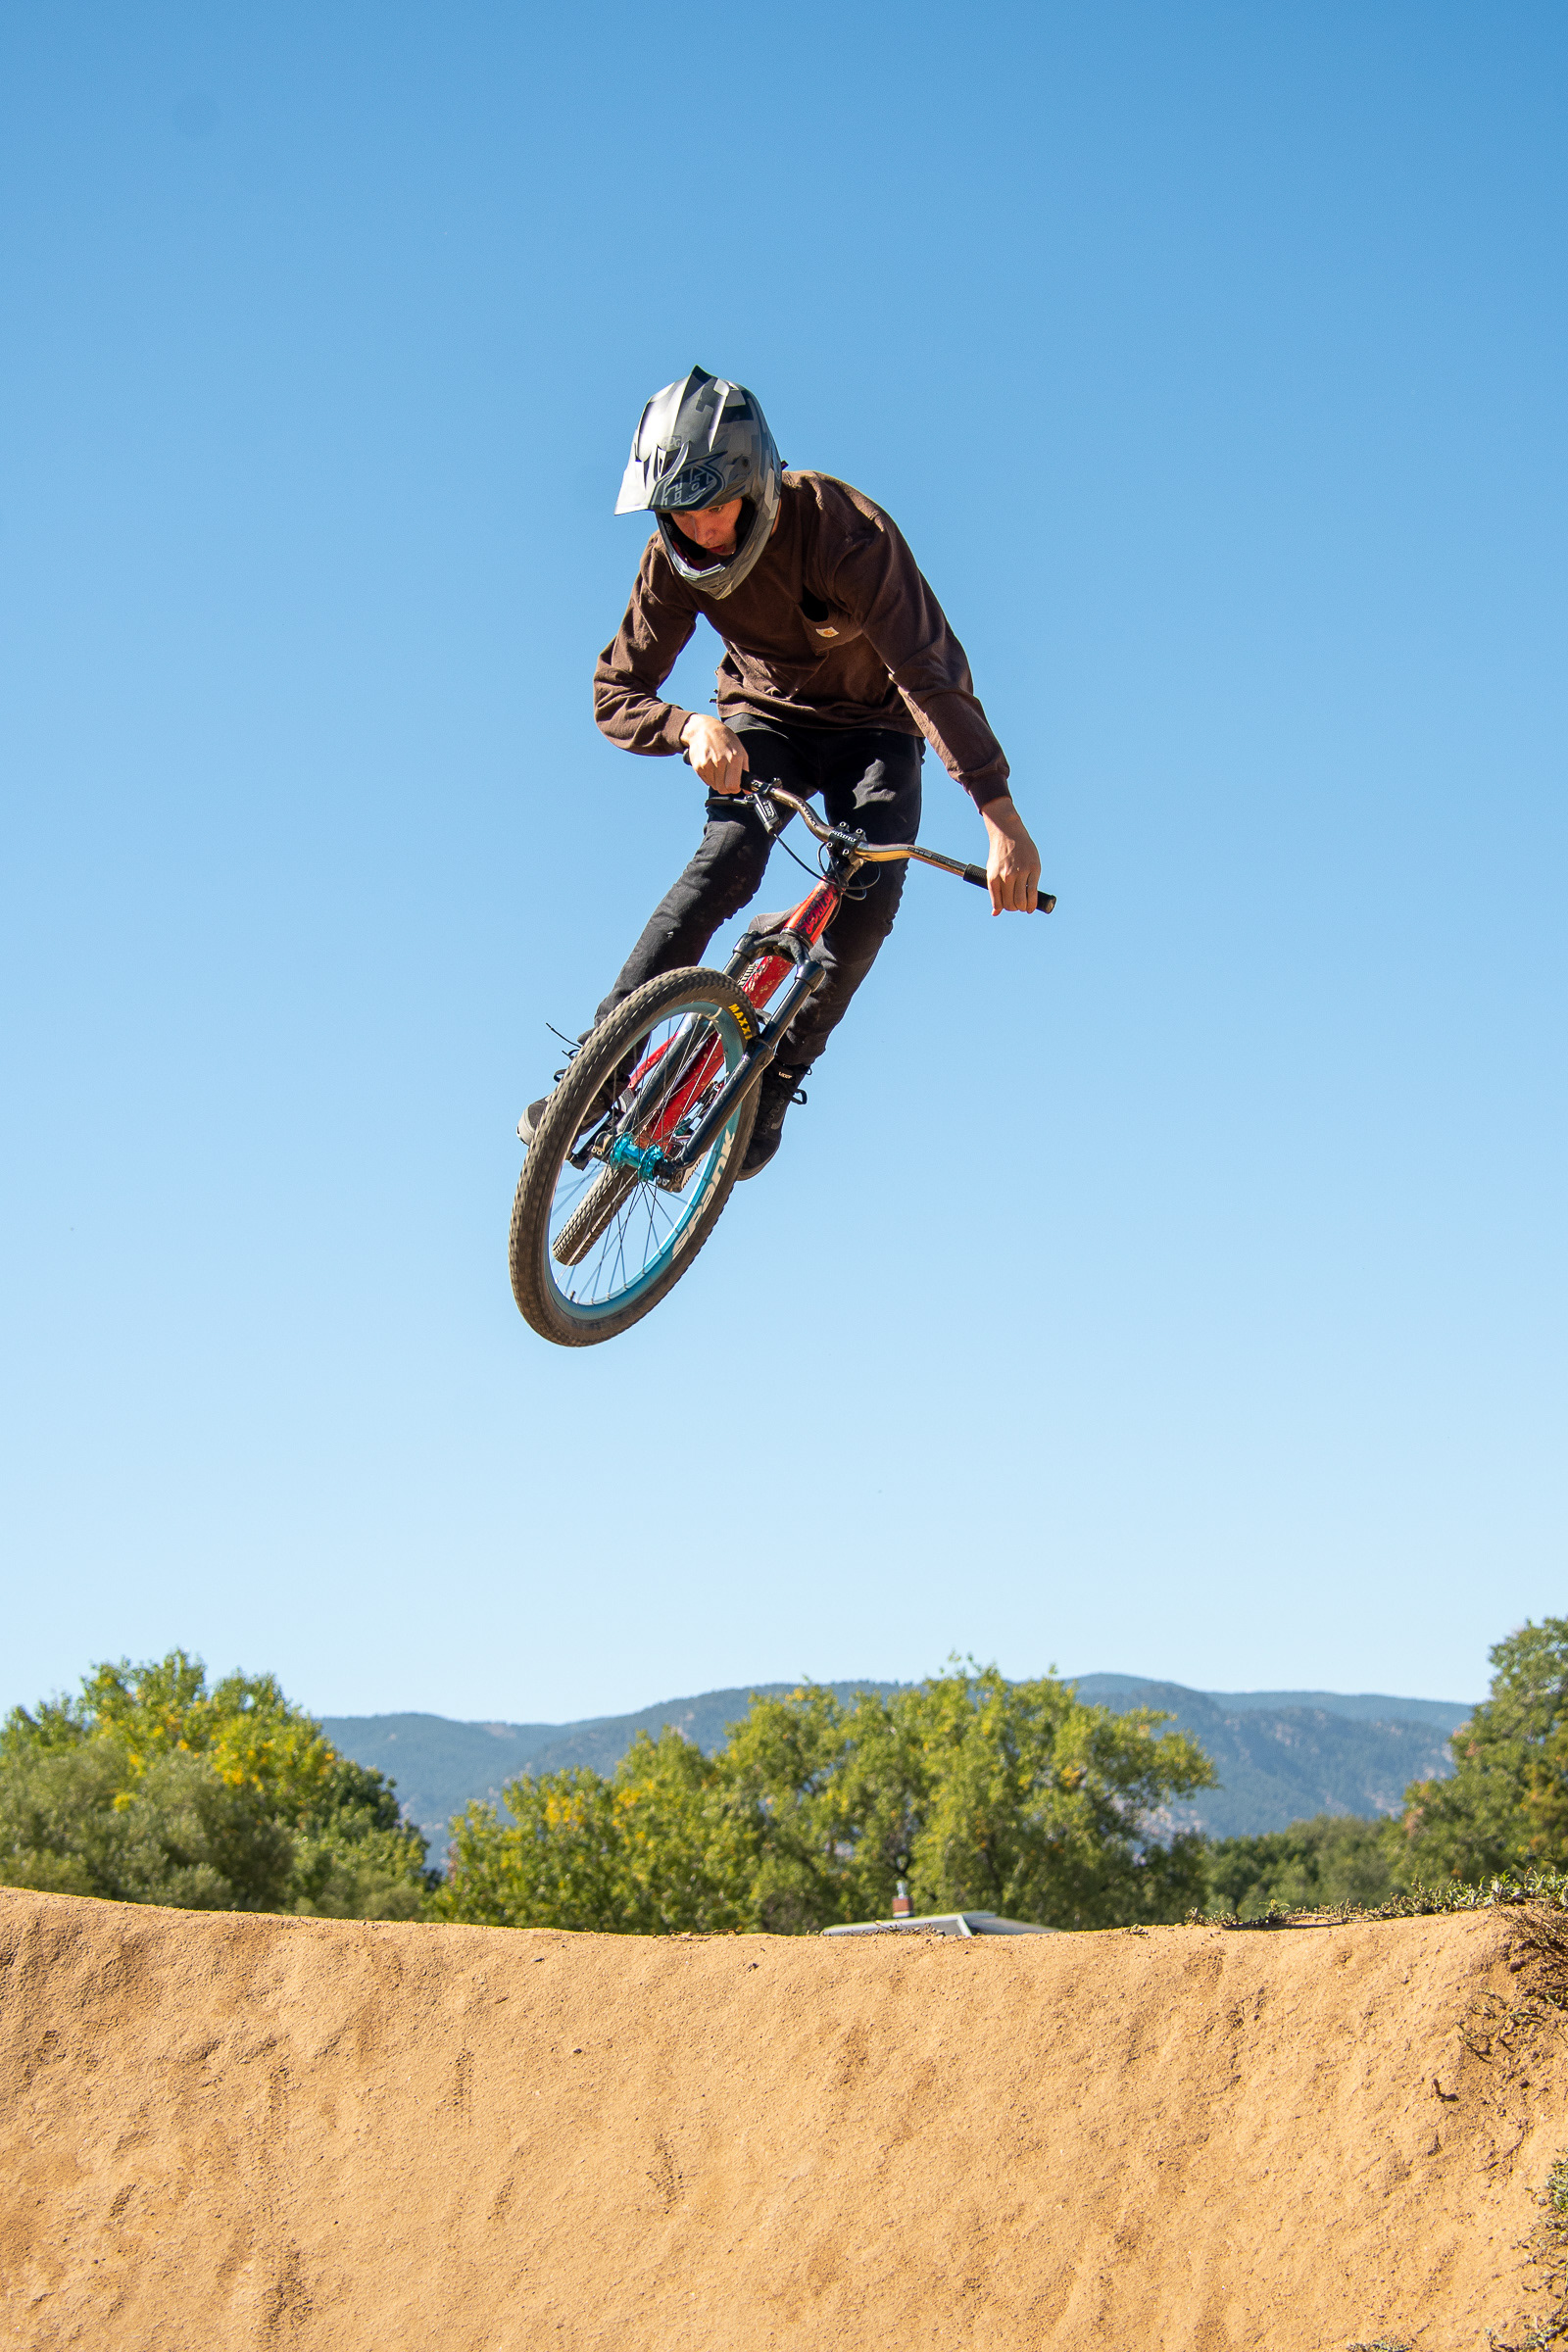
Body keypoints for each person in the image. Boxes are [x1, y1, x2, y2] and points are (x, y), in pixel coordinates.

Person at [519, 367, 1042, 1177]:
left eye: (716, 507)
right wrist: (688, 727)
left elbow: (928, 672)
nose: (702, 532)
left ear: (756, 482)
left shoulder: (842, 531)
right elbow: (615, 691)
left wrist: (998, 813)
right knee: (726, 860)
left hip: (876, 727)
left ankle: (777, 1076)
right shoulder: (672, 561)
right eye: (680, 514)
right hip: (763, 718)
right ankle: (599, 1069)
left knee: (868, 901)